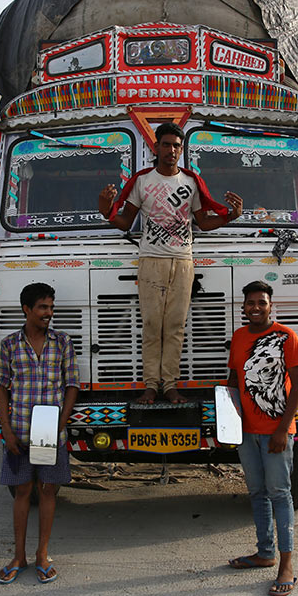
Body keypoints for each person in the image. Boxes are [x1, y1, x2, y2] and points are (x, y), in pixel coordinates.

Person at [98, 122, 243, 405]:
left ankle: (170, 386)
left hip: (183, 261)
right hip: (151, 259)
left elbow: (202, 222)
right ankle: (151, 386)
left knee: (175, 326)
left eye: (177, 146)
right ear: (156, 148)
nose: (172, 150)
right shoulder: (143, 181)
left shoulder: (190, 183)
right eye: (166, 144)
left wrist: (231, 216)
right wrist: (106, 211)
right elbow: (125, 221)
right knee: (152, 325)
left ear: (181, 150)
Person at [0, 283, 79, 585]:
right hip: (19, 428)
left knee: (47, 490)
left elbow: (72, 385)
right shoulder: (8, 346)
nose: (48, 313)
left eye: (51, 308)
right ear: (27, 309)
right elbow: (0, 387)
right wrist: (6, 428)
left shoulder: (63, 343)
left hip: (49, 429)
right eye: (43, 307)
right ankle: (19, 556)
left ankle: (42, 554)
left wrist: (60, 423)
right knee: (22, 492)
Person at [225, 280, 298, 596]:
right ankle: (265, 552)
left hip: (276, 433)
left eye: (262, 302)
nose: (255, 308)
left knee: (280, 494)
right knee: (256, 493)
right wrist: (230, 423)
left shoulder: (287, 337)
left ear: (271, 306)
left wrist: (283, 430)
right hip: (247, 433)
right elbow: (234, 380)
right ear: (243, 308)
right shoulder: (239, 337)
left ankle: (286, 565)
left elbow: (297, 385)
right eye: (250, 303)